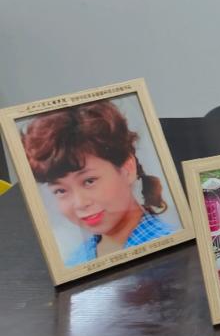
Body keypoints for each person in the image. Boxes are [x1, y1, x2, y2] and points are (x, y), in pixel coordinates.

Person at [21, 100, 174, 267]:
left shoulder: (168, 245)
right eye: (60, 190)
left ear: (127, 169)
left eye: (89, 181)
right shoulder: (75, 262)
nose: (80, 203)